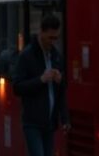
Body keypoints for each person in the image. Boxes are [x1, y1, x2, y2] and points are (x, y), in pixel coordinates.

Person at [12, 14, 69, 156]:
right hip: (32, 122)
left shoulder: (56, 56)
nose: (53, 42)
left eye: (56, 38)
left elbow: (61, 93)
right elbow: (17, 87)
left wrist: (65, 119)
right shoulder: (27, 55)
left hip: (49, 123)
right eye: (50, 38)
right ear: (41, 32)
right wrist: (41, 80)